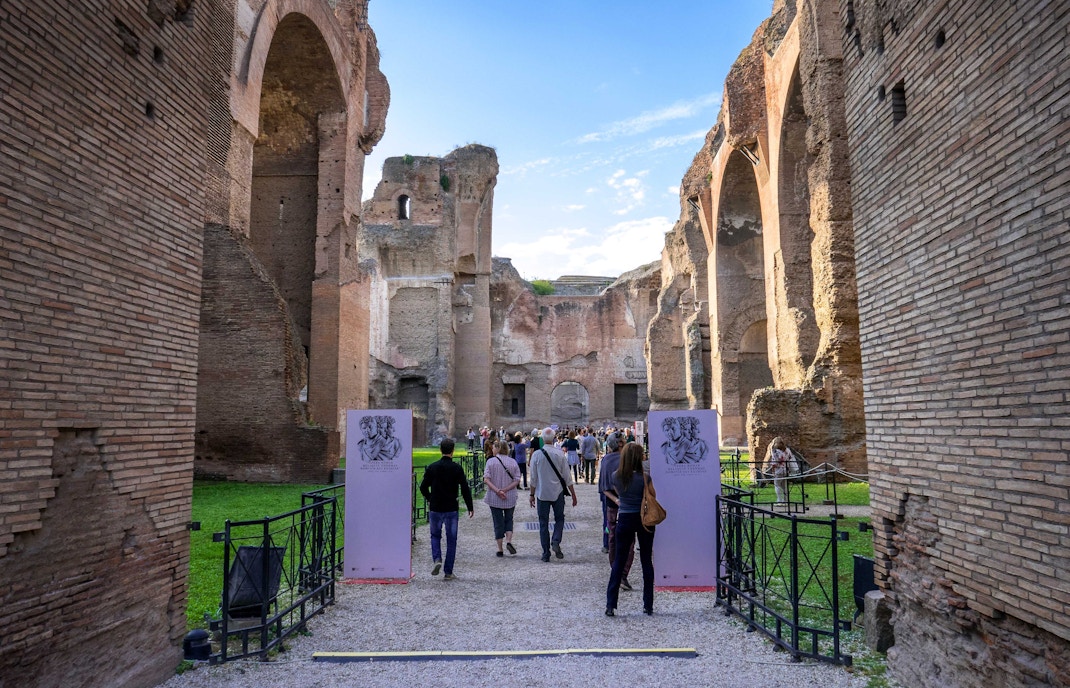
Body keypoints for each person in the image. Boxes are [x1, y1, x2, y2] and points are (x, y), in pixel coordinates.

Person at [605, 442, 656, 617]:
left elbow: (617, 492)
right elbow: (652, 496)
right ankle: (648, 604)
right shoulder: (645, 477)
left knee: (619, 560)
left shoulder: (616, 476)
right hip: (644, 519)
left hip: (625, 517)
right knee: (646, 560)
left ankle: (611, 604)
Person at [419, 438, 474, 580]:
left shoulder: (432, 467)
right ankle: (448, 572)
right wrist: (470, 506)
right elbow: (465, 489)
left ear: (440, 450)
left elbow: (423, 487)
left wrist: (430, 498)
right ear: (453, 450)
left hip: (436, 507)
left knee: (435, 536)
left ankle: (437, 558)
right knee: (451, 540)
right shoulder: (456, 468)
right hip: (451, 508)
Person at [529, 427, 577, 562]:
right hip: (558, 492)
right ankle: (556, 540)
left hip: (542, 493)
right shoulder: (560, 454)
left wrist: (531, 495)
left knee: (543, 522)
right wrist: (573, 494)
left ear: (543, 439)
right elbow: (567, 477)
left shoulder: (537, 455)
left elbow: (533, 478)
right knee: (560, 519)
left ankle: (545, 553)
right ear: (554, 438)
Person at [599, 433, 633, 590]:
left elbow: (603, 486)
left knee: (613, 537)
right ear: (620, 444)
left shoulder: (606, 460)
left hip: (612, 504)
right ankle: (622, 575)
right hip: (629, 505)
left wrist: (615, 499)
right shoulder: (627, 459)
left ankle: (616, 571)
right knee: (629, 541)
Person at [483, 440, 520, 557]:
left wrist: (498, 490)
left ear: (498, 449)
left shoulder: (491, 462)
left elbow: (486, 479)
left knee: (497, 522)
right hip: (509, 496)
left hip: (494, 496)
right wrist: (505, 489)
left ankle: (500, 549)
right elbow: (517, 480)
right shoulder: (513, 462)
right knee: (509, 519)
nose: (492, 450)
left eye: (493, 448)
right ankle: (508, 541)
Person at [765, 437, 791, 503]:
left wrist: (772, 468)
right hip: (785, 469)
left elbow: (775, 461)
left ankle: (779, 500)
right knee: (784, 486)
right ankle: (786, 500)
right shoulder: (787, 450)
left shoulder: (775, 451)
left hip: (778, 470)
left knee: (777, 485)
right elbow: (790, 457)